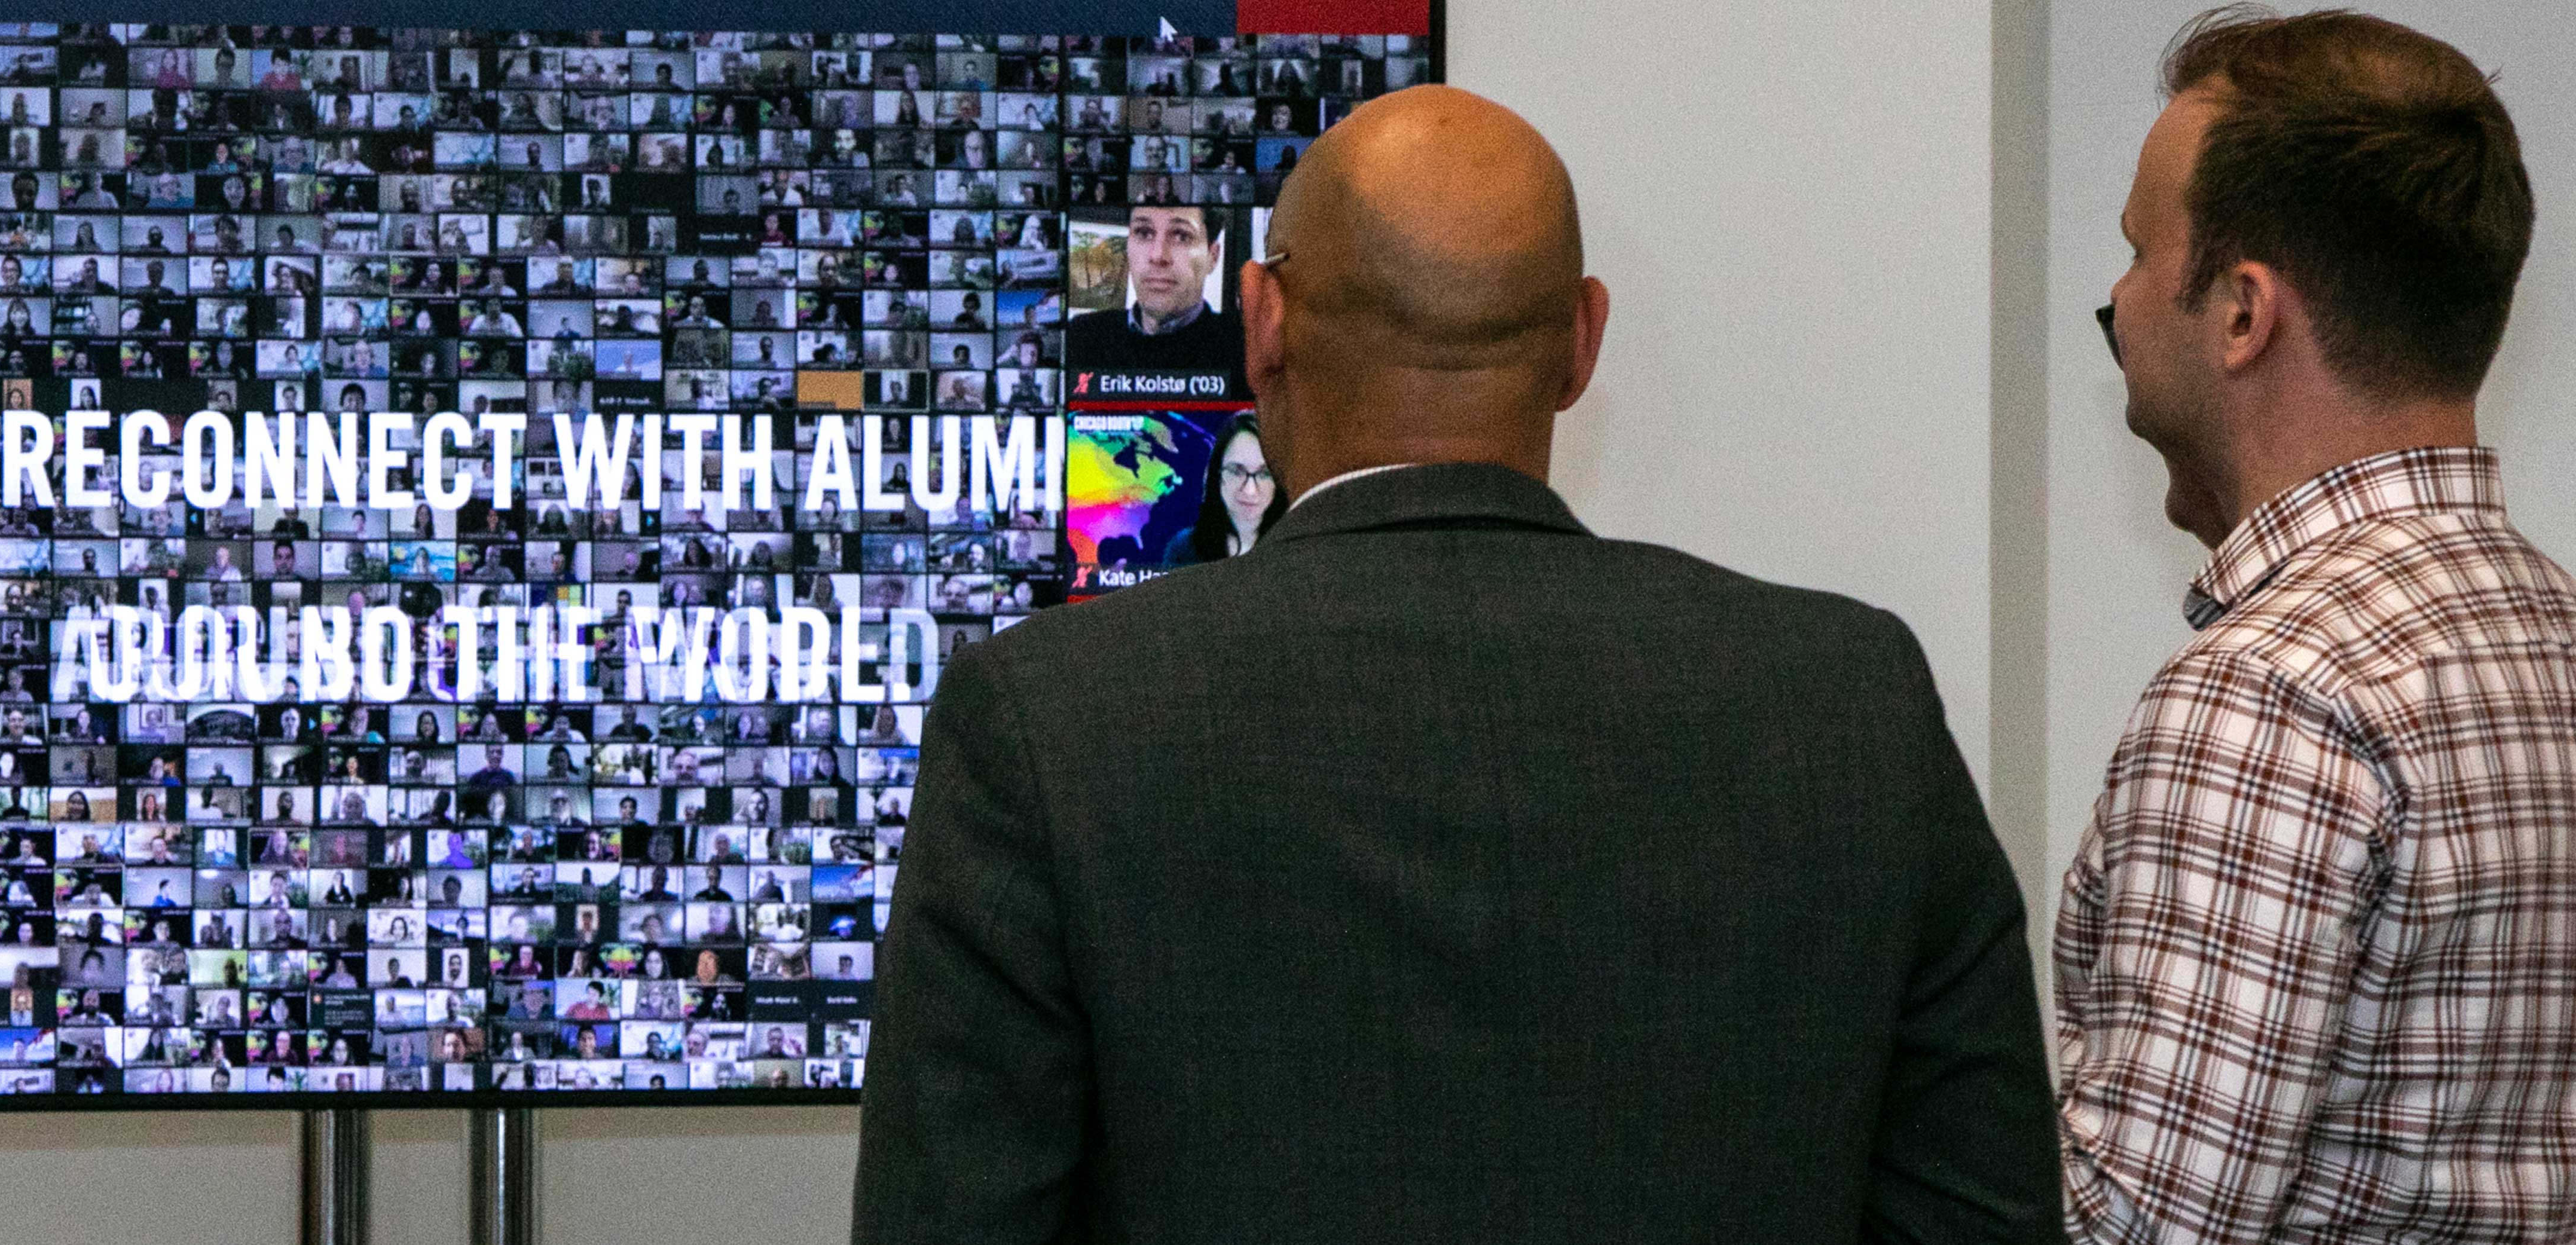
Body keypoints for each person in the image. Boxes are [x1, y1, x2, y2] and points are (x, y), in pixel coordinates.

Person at [852, 85, 2056, 1243]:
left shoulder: (1049, 718)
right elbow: (1984, 1214)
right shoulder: (1851, 703)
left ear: (1262, 321)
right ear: (1582, 341)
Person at [2060, 11, 2574, 1243]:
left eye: (2137, 253)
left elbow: (2143, 1227)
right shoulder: (2553, 635)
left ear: (2243, 314)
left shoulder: (2272, 691)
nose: (2117, 303)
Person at [1062, 205, 1249, 396]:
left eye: (1181, 236)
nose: (1158, 256)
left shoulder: (1246, 348)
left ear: (1213, 257)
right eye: (1144, 233)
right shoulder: (1082, 337)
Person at [1162, 411, 1279, 565]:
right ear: (1216, 474)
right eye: (1237, 472)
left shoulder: (1298, 549)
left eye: (1264, 474)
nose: (1250, 490)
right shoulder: (1184, 550)